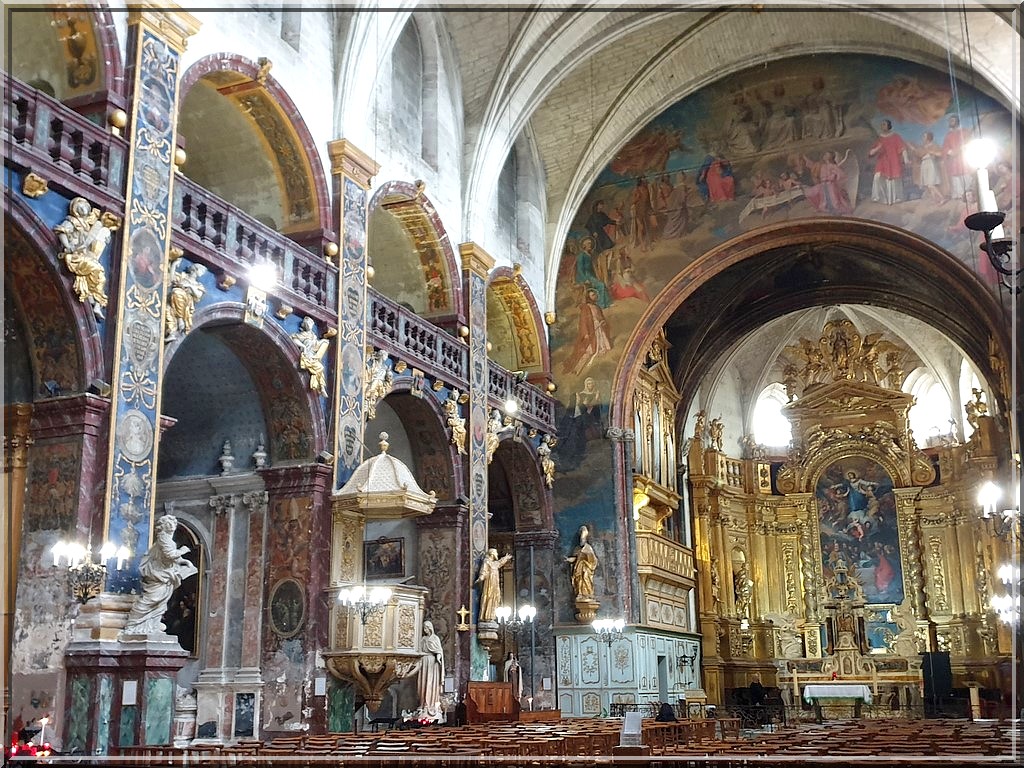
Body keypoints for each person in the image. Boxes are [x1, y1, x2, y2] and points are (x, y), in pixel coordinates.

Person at [123, 515, 198, 636]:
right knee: (151, 599)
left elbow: (171, 557)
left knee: (161, 601)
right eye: (170, 523)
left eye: (173, 523)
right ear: (164, 526)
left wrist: (184, 561)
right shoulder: (164, 538)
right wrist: (183, 550)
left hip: (164, 574)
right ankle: (133, 624)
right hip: (158, 574)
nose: (173, 525)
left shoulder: (167, 539)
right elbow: (170, 554)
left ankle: (153, 623)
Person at [54, 196, 112, 319]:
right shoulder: (72, 221)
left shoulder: (87, 226)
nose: (83, 207)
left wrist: (103, 240)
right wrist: (68, 247)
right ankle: (93, 299)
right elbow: (62, 232)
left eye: (85, 205)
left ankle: (96, 303)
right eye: (80, 205)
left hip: (84, 256)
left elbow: (90, 242)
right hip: (74, 257)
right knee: (97, 270)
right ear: (75, 208)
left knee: (100, 277)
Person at [868, 119, 909, 205]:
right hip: (882, 161)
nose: (882, 126)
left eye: (884, 124)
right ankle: (881, 198)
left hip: (893, 160)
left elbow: (903, 148)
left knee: (893, 180)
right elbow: (871, 152)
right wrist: (877, 148)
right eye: (882, 124)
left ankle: (895, 199)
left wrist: (906, 159)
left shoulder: (895, 136)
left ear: (889, 126)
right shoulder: (880, 138)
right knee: (878, 177)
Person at [291, 317, 330, 396]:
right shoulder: (303, 334)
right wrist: (303, 346)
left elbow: (316, 345)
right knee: (320, 368)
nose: (310, 326)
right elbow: (294, 338)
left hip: (313, 355)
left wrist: (323, 342)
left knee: (325, 342)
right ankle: (322, 388)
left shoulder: (313, 336)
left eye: (311, 324)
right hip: (307, 356)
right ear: (306, 325)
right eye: (309, 324)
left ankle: (322, 388)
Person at [475, 548, 512, 622]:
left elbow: (499, 563)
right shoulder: (487, 561)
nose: (497, 554)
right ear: (492, 554)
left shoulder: (494, 563)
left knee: (496, 597)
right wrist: (481, 577)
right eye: (496, 553)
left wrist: (505, 558)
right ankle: (486, 615)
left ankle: (492, 615)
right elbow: (484, 571)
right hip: (489, 583)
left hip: (495, 583)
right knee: (489, 597)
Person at [417, 621, 445, 714]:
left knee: (431, 682)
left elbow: (439, 650)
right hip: (423, 661)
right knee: (423, 683)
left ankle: (431, 704)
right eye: (424, 628)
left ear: (430, 628)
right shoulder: (423, 639)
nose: (425, 630)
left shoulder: (435, 638)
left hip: (432, 663)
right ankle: (422, 704)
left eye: (426, 628)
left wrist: (438, 657)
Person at [566, 525, 598, 599]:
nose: (582, 540)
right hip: (578, 569)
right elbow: (575, 558)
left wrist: (586, 555)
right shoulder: (577, 549)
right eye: (581, 539)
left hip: (586, 568)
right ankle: (580, 593)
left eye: (583, 539)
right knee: (579, 581)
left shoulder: (588, 548)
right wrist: (569, 559)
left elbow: (593, 559)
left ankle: (588, 594)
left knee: (586, 579)